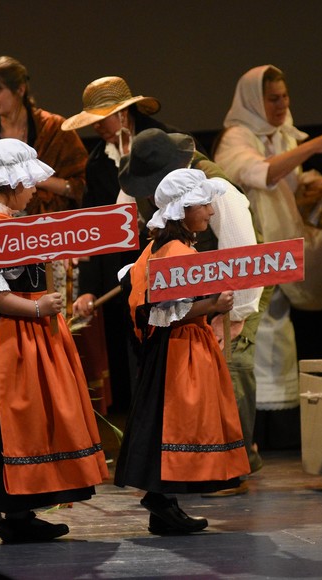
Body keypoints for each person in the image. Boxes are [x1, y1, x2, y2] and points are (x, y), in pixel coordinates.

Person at [0, 139, 108, 543]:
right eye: (29, 182)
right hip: (5, 338)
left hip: (5, 336)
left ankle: (18, 511)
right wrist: (36, 309)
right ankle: (7, 507)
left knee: (13, 423)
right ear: (10, 182)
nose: (35, 189)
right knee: (12, 421)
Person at [115, 128, 265, 479]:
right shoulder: (173, 244)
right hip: (190, 314)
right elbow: (161, 298)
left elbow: (242, 253)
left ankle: (235, 463)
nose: (209, 211)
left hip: (232, 291)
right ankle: (195, 469)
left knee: (232, 368)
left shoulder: (218, 192)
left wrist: (237, 312)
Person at [214, 65, 322, 444]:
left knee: (280, 332)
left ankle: (282, 427)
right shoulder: (236, 137)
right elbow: (263, 174)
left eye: (285, 97)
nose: (281, 104)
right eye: (273, 98)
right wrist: (314, 145)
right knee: (257, 332)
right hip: (249, 249)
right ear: (255, 101)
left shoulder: (281, 135)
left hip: (279, 249)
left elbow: (291, 184)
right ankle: (254, 430)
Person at [115, 168, 250, 535]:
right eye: (204, 204)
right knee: (174, 423)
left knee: (166, 425)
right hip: (178, 350)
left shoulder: (171, 246)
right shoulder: (174, 251)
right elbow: (163, 314)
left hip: (182, 347)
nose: (210, 210)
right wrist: (214, 307)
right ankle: (161, 500)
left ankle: (163, 506)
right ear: (184, 209)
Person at [64, 75, 201, 412]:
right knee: (132, 350)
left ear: (124, 113)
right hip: (122, 269)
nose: (98, 128)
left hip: (169, 258)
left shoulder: (166, 142)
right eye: (93, 122)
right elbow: (96, 227)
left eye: (103, 119)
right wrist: (90, 288)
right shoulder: (97, 163)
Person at [0, 56, 87, 215]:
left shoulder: (55, 130)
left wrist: (39, 180)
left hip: (54, 228)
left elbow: (83, 186)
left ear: (20, 89)